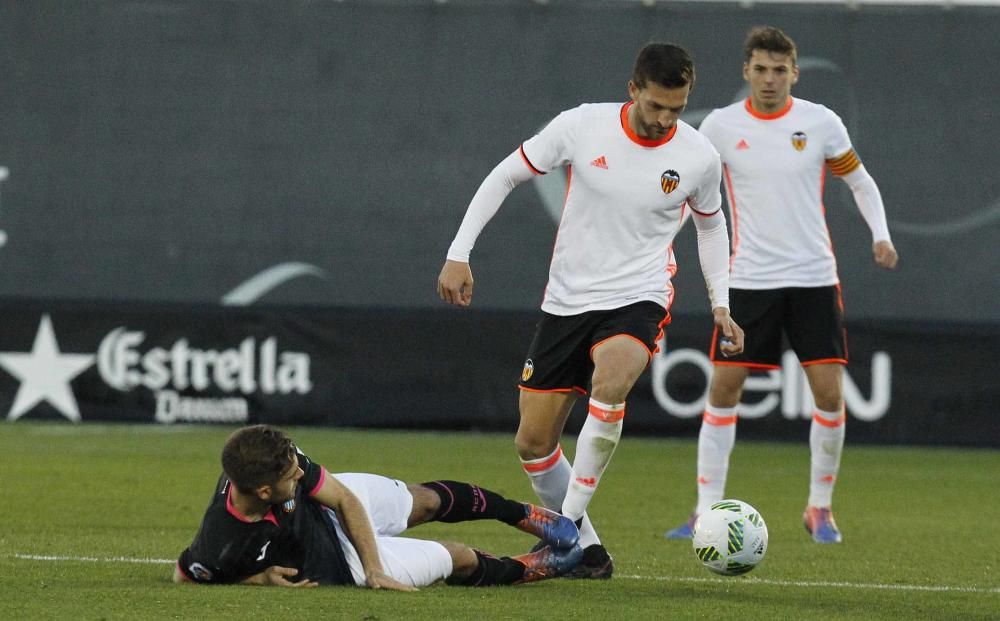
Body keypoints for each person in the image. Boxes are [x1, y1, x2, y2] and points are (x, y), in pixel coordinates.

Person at [438, 43, 744, 578]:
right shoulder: (582, 125)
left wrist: (721, 302)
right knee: (533, 442)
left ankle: (566, 526)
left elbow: (711, 225)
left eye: (677, 107)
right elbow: (506, 174)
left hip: (638, 295)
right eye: (655, 106)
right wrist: (458, 253)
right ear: (633, 90)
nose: (665, 119)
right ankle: (588, 550)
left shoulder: (699, 156)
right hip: (566, 300)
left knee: (612, 382)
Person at [664, 26, 898, 544]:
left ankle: (819, 509)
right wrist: (660, 246)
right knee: (723, 389)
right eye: (761, 69)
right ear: (746, 70)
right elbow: (694, 197)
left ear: (794, 72)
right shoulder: (721, 128)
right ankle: (705, 510)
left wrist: (880, 235)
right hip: (748, 282)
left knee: (829, 396)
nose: (770, 79)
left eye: (780, 70)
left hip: (814, 278)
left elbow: (859, 179)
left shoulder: (820, 123)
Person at [174, 424, 583, 589]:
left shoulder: (277, 456)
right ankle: (530, 567)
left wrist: (377, 569)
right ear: (263, 492)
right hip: (339, 563)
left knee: (424, 500)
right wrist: (257, 579)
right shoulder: (220, 543)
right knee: (456, 556)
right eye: (290, 479)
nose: (298, 475)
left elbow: (343, 498)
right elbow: (185, 577)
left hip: (333, 512)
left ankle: (521, 514)